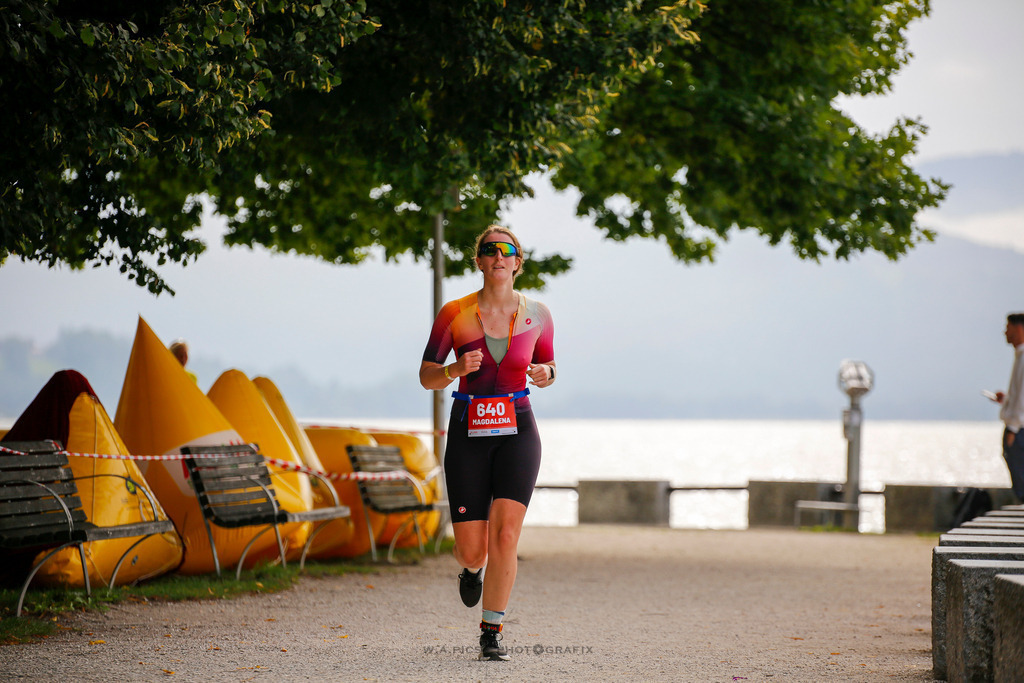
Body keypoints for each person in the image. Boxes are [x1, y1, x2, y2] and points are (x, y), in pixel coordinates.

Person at [419, 225, 555, 661]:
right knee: (472, 547)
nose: (499, 256)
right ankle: (470, 569)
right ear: (478, 261)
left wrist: (546, 375)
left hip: (518, 429)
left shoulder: (538, 314)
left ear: (518, 262)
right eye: (489, 250)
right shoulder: (455, 313)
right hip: (468, 430)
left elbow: (549, 363)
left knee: (507, 534)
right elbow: (426, 376)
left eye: (507, 250)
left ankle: (491, 630)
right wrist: (455, 369)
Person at [993, 313, 1024, 501]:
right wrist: (1006, 401)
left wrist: (1012, 429)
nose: (1005, 331)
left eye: (1008, 327)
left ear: (1019, 328)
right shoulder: (1019, 356)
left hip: (1019, 431)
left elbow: (1022, 400)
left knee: (1021, 481)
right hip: (1018, 428)